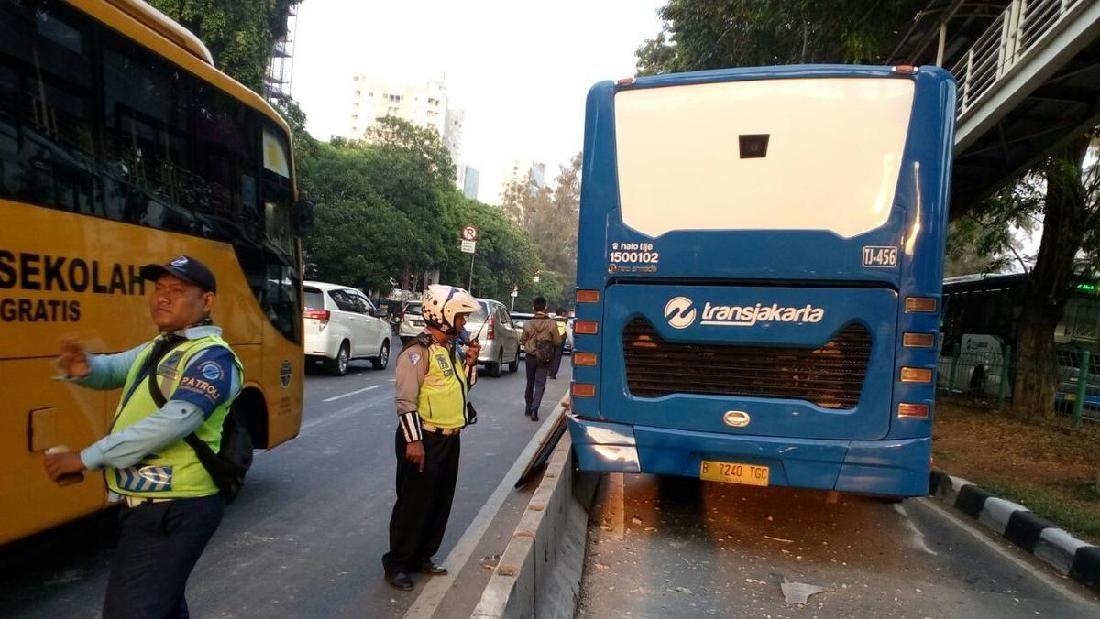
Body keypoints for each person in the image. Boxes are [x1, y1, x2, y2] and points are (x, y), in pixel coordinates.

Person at [43, 254, 243, 619]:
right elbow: (116, 368)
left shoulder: (213, 359)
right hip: (149, 506)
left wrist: (88, 457)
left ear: (207, 301)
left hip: (177, 507)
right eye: (159, 288)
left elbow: (175, 420)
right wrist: (85, 367)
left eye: (177, 290)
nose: (161, 297)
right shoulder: (160, 346)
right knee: (160, 607)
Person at [382, 284, 481, 591]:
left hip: (450, 439)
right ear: (443, 315)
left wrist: (471, 362)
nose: (463, 324)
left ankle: (422, 556)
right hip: (424, 439)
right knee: (414, 502)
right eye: (461, 317)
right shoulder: (417, 352)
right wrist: (414, 442)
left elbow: (462, 388)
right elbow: (406, 402)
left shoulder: (448, 351)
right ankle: (397, 563)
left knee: (440, 500)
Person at [520, 297, 562, 421]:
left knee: (530, 382)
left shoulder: (527, 324)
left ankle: (528, 407)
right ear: (545, 308)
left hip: (530, 357)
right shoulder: (551, 323)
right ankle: (535, 409)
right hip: (544, 358)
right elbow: (558, 341)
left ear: (533, 308)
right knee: (540, 384)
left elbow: (522, 340)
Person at [549, 307, 569, 379]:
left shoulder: (552, 320)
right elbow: (568, 333)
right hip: (561, 340)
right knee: (557, 357)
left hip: (552, 339)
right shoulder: (566, 321)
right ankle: (553, 374)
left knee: (551, 355)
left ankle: (549, 372)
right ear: (562, 313)